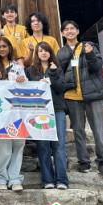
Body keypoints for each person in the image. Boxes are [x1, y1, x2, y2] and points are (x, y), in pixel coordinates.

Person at [58, 20, 103, 175]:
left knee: (98, 129)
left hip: (92, 94)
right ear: (62, 33)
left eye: (72, 28)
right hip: (72, 96)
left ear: (77, 31)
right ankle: (83, 162)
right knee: (78, 130)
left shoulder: (89, 46)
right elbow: (59, 74)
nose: (69, 31)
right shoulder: (61, 52)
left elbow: (97, 67)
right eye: (66, 29)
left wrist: (90, 54)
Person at [28, 42, 70, 189]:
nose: (43, 53)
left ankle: (62, 180)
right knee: (43, 146)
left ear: (50, 53)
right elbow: (27, 88)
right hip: (38, 111)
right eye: (40, 51)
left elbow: (61, 88)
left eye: (46, 50)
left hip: (57, 109)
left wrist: (51, 75)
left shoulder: (57, 68)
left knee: (59, 145)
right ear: (37, 54)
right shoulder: (31, 70)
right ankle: (47, 180)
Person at [0, 39, 26, 192]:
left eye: (4, 46)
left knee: (18, 145)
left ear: (9, 47)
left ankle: (15, 179)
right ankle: (1, 178)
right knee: (3, 148)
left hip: (17, 112)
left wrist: (23, 80)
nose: (2, 49)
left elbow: (26, 87)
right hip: (0, 113)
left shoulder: (18, 67)